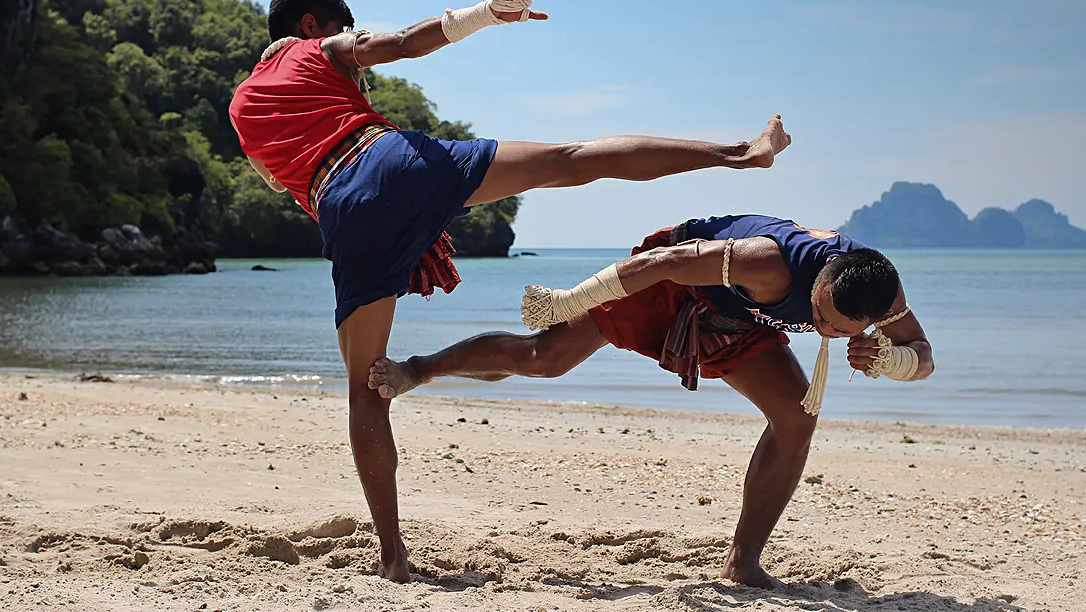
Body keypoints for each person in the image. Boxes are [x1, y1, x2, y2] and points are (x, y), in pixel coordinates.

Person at [228, 0, 792, 581]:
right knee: (573, 160)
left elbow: (281, 180)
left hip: (339, 206)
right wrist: (482, 14)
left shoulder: (241, 108)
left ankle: (393, 558)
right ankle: (734, 153)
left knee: (366, 390)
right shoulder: (310, 50)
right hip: (392, 160)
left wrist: (387, 232)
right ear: (314, 26)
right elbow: (399, 43)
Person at [368, 215, 934, 588]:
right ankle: (419, 368)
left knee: (796, 416)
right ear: (819, 282)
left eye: (836, 329)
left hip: (736, 317)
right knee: (546, 359)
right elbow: (657, 265)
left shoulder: (881, 292)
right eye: (818, 315)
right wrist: (569, 301)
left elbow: (924, 358)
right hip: (670, 278)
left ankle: (743, 563)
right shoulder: (766, 260)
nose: (822, 329)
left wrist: (888, 360)